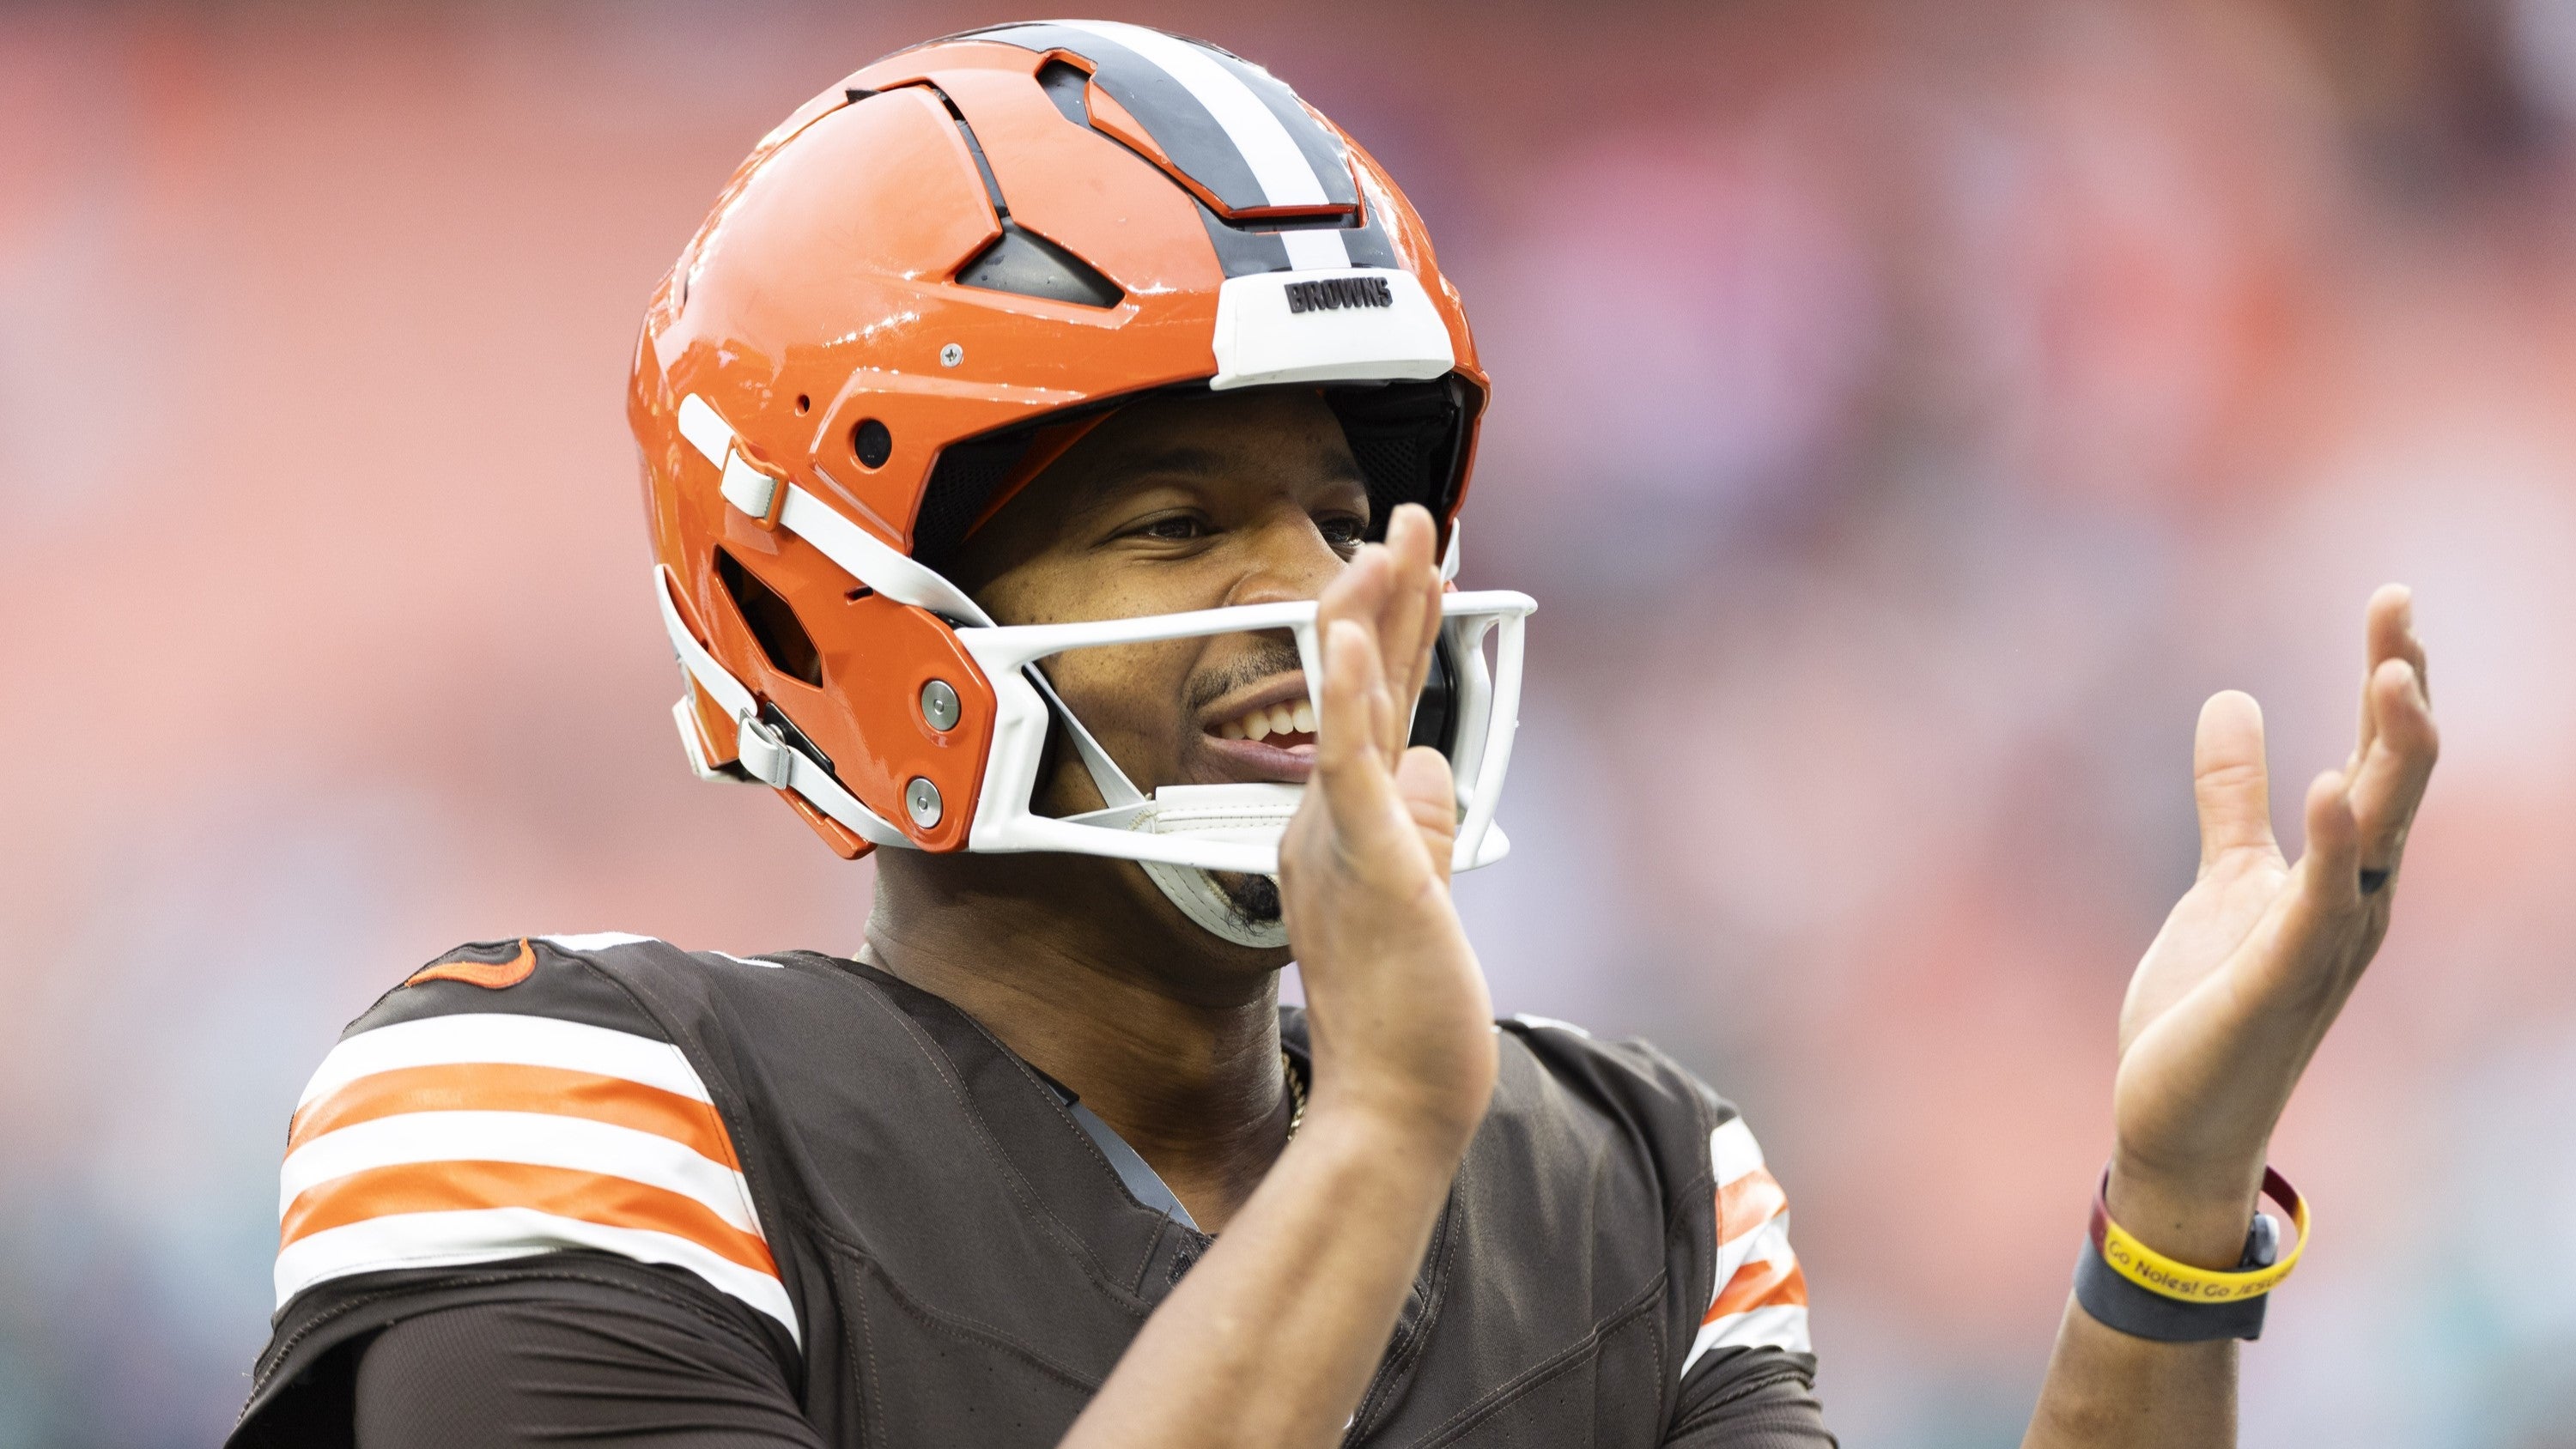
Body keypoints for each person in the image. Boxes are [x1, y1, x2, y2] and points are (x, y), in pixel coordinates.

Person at [225, 21, 2439, 1449]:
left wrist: (2166, 1224)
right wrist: (1380, 1133)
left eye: (1338, 512)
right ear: (835, 612)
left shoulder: (1630, 1187)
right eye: (1178, 523)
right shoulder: (570, 1104)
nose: (1329, 602)